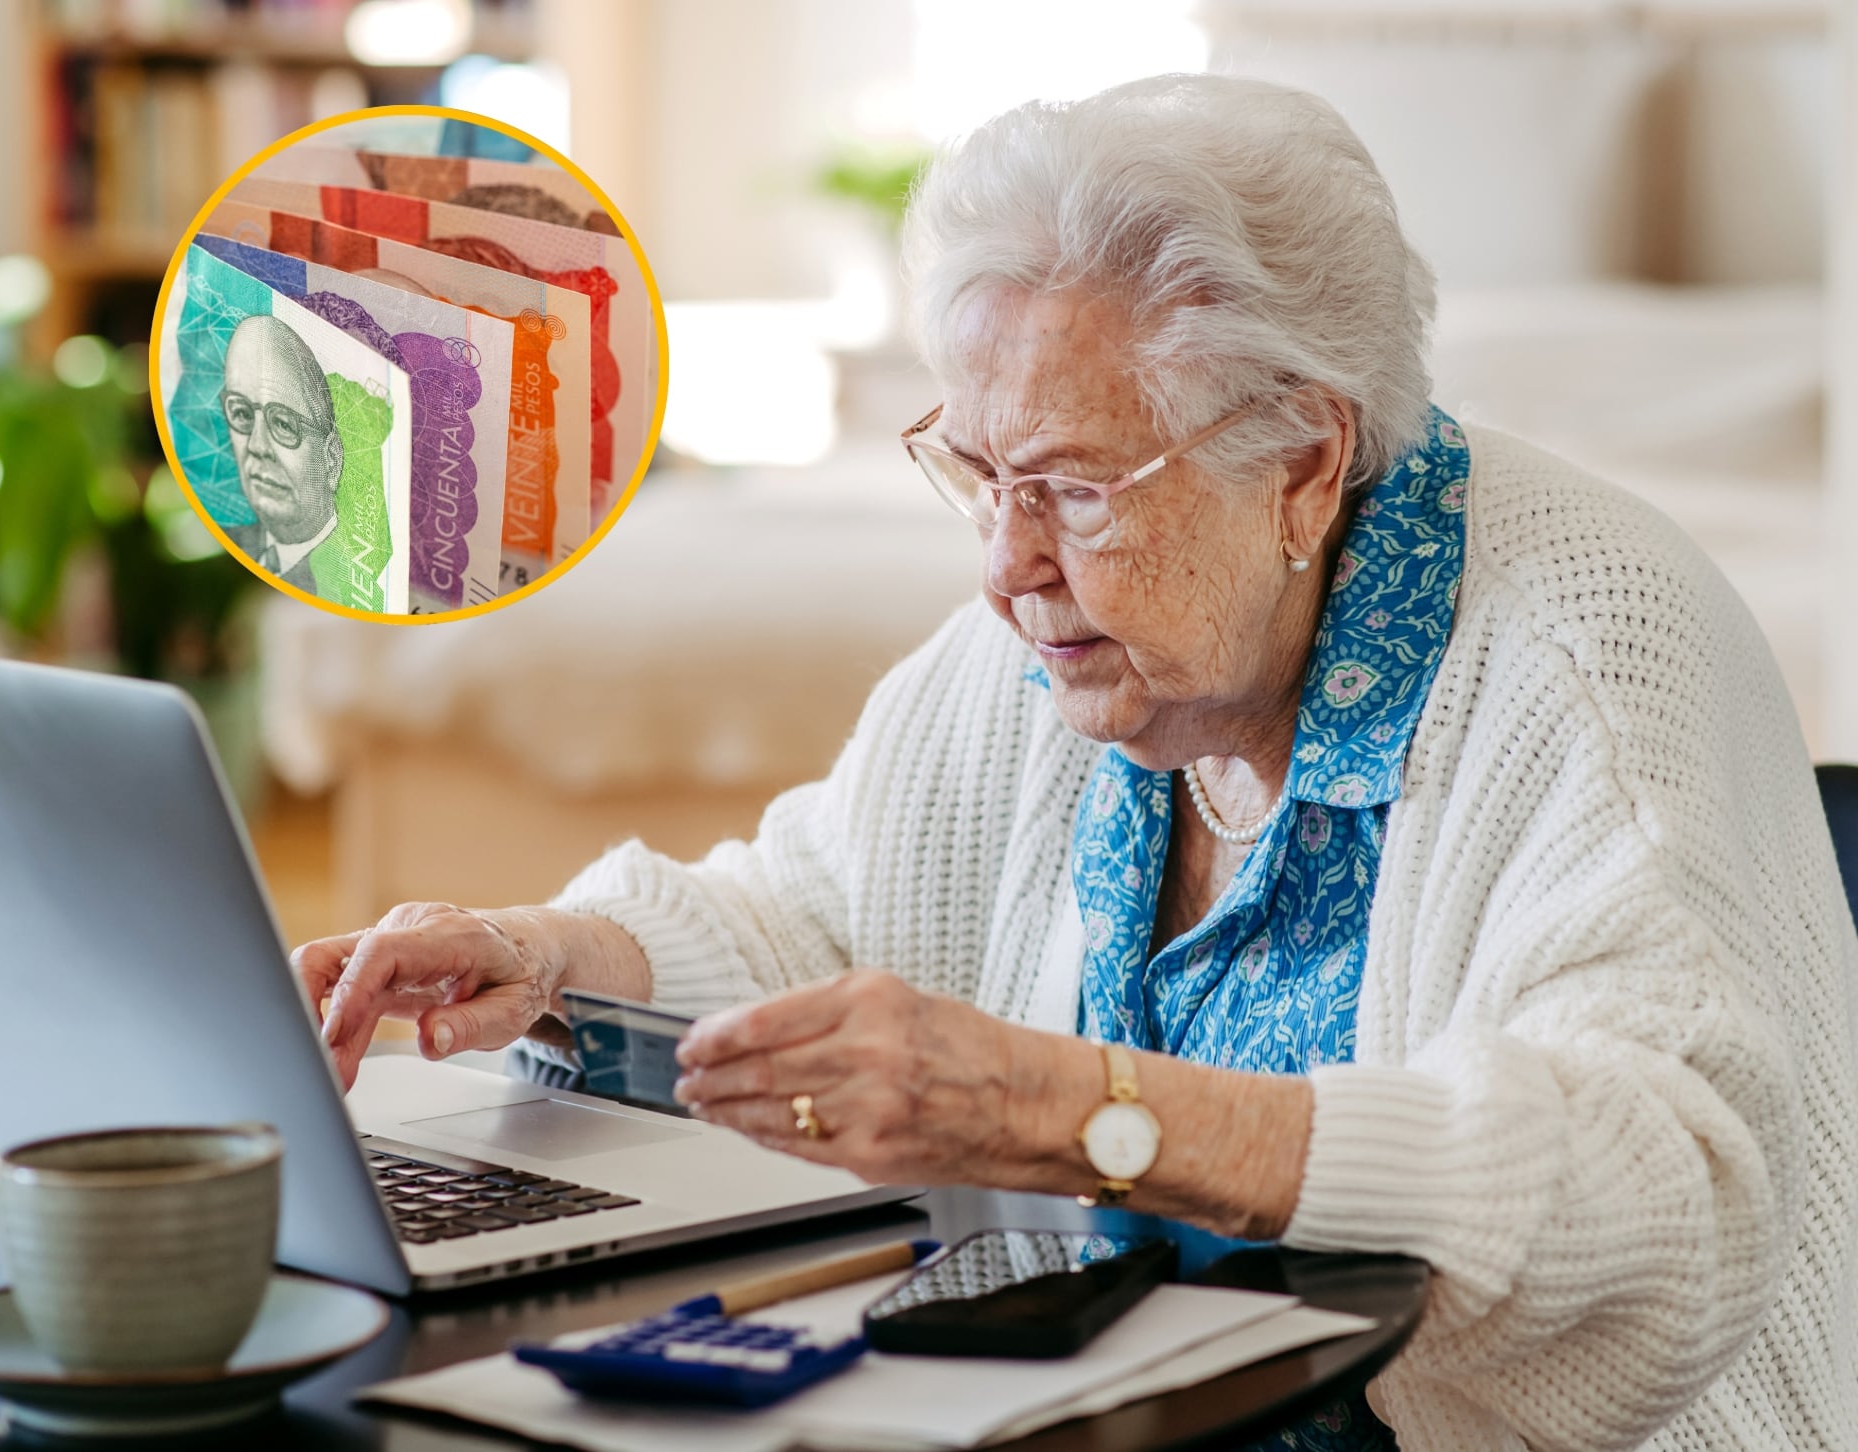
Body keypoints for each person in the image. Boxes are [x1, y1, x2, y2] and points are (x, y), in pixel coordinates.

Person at [292, 75, 1858, 1450]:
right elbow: (825, 912)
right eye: (976, 471)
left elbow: (1669, 1193)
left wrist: (1076, 1110)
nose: (1004, 566)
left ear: (1304, 464)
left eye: (1074, 487)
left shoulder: (1582, 657)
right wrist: (545, 958)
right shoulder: (1084, 632)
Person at [220, 314, 343, 593]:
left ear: (332, 458)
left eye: (284, 424)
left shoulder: (348, 577)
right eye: (241, 413)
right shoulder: (229, 542)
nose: (257, 446)